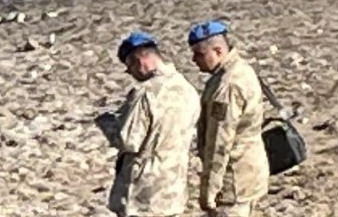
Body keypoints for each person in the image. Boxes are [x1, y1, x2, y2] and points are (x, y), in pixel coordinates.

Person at [99, 31, 201, 217]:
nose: (130, 73)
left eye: (129, 67)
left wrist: (108, 124)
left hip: (143, 192)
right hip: (174, 186)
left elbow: (129, 141)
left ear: (139, 61)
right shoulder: (187, 88)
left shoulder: (146, 93)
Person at [187, 20, 269, 217]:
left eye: (199, 54)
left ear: (218, 51)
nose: (194, 60)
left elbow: (219, 143)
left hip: (233, 182)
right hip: (250, 174)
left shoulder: (227, 86)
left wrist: (210, 191)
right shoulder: (241, 69)